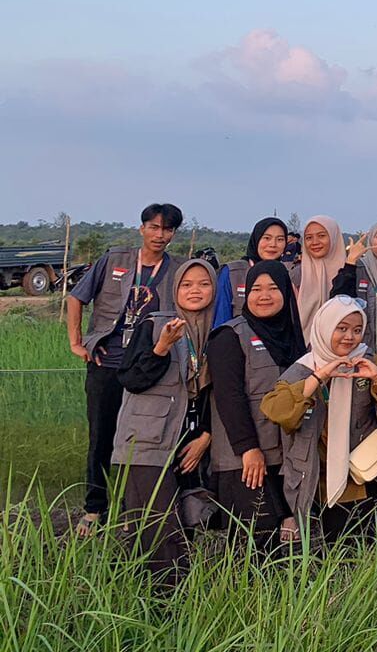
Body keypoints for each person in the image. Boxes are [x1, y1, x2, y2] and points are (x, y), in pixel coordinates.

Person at [66, 201, 182, 537]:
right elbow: (77, 297)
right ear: (142, 227)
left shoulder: (177, 269)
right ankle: (94, 508)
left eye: (167, 229)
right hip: (107, 362)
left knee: (145, 441)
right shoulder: (114, 259)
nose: (160, 235)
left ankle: (138, 508)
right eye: (155, 227)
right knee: (101, 437)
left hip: (148, 368)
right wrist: (78, 342)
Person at [263, 297, 377, 543]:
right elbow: (277, 411)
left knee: (360, 550)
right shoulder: (303, 369)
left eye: (356, 330)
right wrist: (319, 377)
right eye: (341, 329)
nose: (349, 337)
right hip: (312, 478)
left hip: (360, 476)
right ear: (325, 327)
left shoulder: (367, 362)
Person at [108, 257, 217, 579]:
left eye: (204, 283)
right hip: (146, 442)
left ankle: (165, 597)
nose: (195, 291)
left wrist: (206, 437)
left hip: (190, 442)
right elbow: (131, 379)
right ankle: (164, 603)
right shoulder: (154, 324)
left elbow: (217, 394)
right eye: (186, 284)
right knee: (157, 527)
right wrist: (161, 348)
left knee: (187, 520)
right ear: (175, 289)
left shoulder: (219, 330)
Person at [208, 260, 306, 546]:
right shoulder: (229, 336)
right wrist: (248, 448)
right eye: (256, 289)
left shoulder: (293, 337)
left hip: (284, 456)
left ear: (287, 293)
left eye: (274, 288)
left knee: (283, 549)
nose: (264, 295)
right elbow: (228, 398)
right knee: (252, 545)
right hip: (245, 460)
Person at [330, 220, 377, 357]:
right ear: (371, 239)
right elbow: (337, 302)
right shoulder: (356, 268)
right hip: (356, 351)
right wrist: (351, 261)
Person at [215, 217, 289, 325]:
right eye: (267, 238)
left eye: (280, 239)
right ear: (256, 239)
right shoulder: (232, 273)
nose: (273, 244)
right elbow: (220, 319)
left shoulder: (287, 274)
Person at [295, 216, 346, 330]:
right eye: (308, 238)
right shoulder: (296, 275)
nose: (315, 242)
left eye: (321, 236)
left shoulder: (351, 272)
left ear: (334, 237)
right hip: (302, 344)